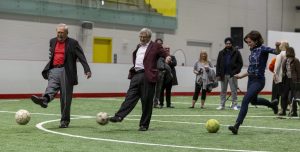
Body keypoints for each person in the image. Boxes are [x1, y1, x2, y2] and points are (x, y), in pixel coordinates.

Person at [109, 28, 171, 131]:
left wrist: (168, 57)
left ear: (149, 37)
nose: (141, 38)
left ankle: (144, 125)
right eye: (140, 36)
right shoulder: (138, 46)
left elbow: (164, 53)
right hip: (136, 75)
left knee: (146, 101)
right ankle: (119, 116)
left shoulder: (155, 46)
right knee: (130, 97)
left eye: (144, 37)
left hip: (147, 76)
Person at [31, 23, 92, 128]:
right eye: (58, 32)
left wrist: (87, 70)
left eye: (62, 33)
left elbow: (81, 56)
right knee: (50, 88)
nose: (60, 35)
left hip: (66, 71)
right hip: (54, 69)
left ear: (67, 33)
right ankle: (44, 100)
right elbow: (52, 54)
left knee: (65, 98)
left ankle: (64, 121)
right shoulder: (52, 41)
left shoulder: (73, 43)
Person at [228, 30, 280, 135]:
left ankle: (236, 126)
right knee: (253, 101)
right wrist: (240, 76)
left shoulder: (263, 48)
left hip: (259, 81)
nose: (248, 44)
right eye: (247, 42)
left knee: (245, 100)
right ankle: (272, 105)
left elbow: (277, 52)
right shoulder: (253, 50)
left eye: (250, 42)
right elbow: (250, 70)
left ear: (256, 41)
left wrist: (277, 46)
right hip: (251, 80)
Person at [216, 37, 243, 110]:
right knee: (223, 91)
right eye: (227, 43)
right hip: (223, 74)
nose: (228, 44)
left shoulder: (236, 52)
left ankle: (234, 105)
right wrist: (218, 74)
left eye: (229, 43)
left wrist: (236, 72)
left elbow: (240, 63)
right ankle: (222, 105)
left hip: (232, 75)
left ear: (232, 44)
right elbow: (218, 64)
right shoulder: (221, 53)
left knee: (234, 90)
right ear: (225, 44)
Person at [281, 47, 300, 117]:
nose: (287, 53)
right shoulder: (285, 60)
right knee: (284, 95)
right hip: (286, 80)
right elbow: (283, 70)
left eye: (288, 52)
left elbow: (299, 72)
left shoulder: (296, 60)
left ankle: (294, 112)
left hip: (294, 81)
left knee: (294, 96)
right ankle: (283, 110)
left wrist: (298, 81)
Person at [273, 41, 289, 116]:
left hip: (281, 77)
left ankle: (282, 109)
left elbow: (277, 67)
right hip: (289, 77)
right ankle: (290, 107)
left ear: (282, 46)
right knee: (287, 93)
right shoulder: (290, 54)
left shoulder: (280, 55)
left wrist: (275, 75)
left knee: (281, 93)